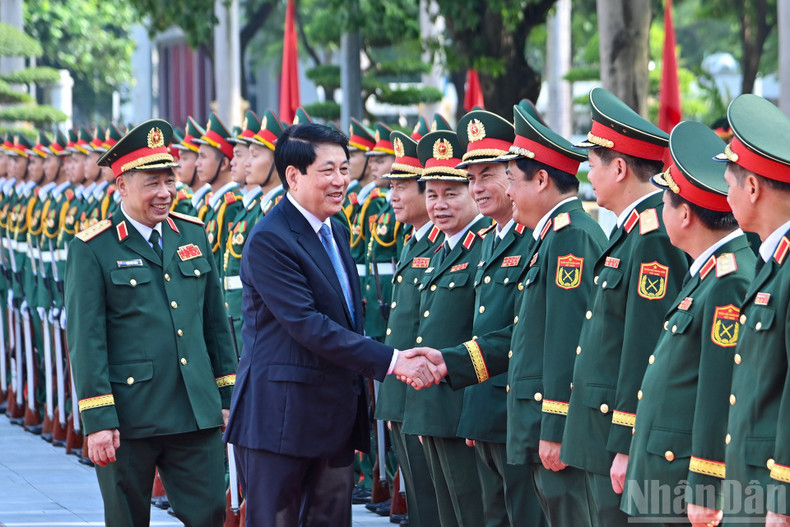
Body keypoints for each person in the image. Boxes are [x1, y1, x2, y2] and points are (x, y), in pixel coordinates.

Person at [223, 123, 441, 526]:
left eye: (344, 169)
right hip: (281, 422)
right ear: (294, 175)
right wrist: (393, 361)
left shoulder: (335, 232)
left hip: (333, 418)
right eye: (328, 171)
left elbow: (347, 319)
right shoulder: (271, 239)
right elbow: (308, 325)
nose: (340, 181)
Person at [64, 119, 238, 526]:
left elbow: (215, 324)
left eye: (169, 180)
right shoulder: (93, 248)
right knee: (126, 518)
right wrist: (98, 420)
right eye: (152, 183)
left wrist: (227, 397)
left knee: (211, 511)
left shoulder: (191, 235)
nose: (164, 193)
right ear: (122, 186)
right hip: (129, 416)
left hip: (195, 410)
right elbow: (86, 341)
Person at [560, 87, 689, 527]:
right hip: (600, 430)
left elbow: (643, 347)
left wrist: (624, 441)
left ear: (619, 167)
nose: (587, 176)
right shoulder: (631, 229)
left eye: (592, 165)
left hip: (617, 436)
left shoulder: (653, 235)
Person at [619, 120, 756, 526]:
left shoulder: (729, 280)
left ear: (684, 215)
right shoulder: (707, 273)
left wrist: (706, 486)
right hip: (664, 472)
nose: (659, 211)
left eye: (665, 201)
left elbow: (719, 390)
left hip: (680, 484)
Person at [453, 108, 547, 527]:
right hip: (486, 407)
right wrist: (474, 408)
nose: (477, 187)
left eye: (487, 174)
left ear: (512, 176)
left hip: (516, 410)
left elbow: (526, 332)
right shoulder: (488, 240)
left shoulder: (534, 239)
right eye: (470, 178)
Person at [401, 126, 492, 527]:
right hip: (434, 406)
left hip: (461, 408)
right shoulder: (441, 249)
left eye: (451, 193)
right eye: (432, 194)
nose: (439, 205)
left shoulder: (483, 250)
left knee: (469, 513)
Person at [721, 94, 790, 526]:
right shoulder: (772, 261)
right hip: (749, 483)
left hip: (770, 490)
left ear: (752, 187)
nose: (725, 195)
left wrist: (782, 498)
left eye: (730, 183)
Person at [374, 129, 443, 527]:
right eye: (392, 187)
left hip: (425, 388)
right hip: (403, 386)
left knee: (432, 502)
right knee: (418, 496)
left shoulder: (440, 244)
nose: (393, 196)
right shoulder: (414, 241)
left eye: (402, 187)